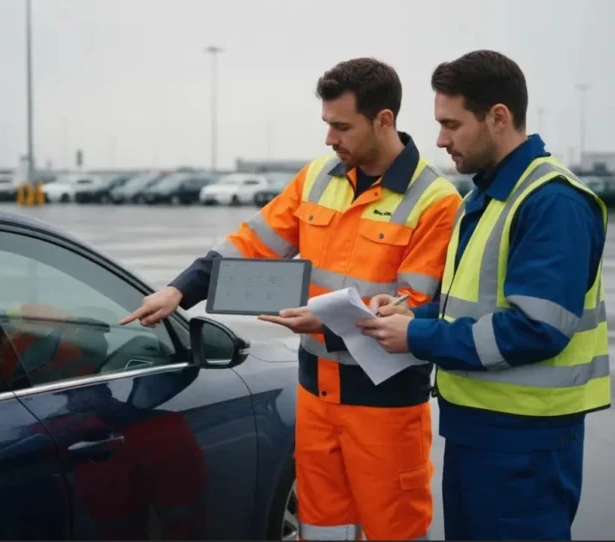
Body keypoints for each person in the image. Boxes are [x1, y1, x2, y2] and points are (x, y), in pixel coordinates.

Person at [120, 57, 463, 540]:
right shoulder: (318, 177)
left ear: (384, 120)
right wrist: (181, 290)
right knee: (320, 527)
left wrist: (325, 325)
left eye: (341, 127)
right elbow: (250, 243)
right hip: (315, 393)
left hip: (383, 405)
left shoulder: (436, 200)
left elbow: (413, 306)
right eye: (327, 125)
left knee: (395, 528)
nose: (329, 139)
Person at [360, 49, 611, 540]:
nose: (439, 139)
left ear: (498, 117)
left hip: (526, 442)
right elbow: (473, 305)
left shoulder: (551, 201)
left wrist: (418, 334)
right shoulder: (485, 195)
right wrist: (414, 311)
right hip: (481, 430)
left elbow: (536, 329)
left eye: (451, 124)